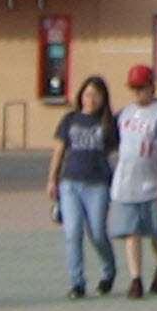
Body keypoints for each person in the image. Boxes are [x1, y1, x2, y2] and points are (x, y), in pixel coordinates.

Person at [110, 62, 157, 299]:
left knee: (156, 233)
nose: (137, 93)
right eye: (134, 88)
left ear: (152, 87)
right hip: (126, 183)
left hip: (151, 184)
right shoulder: (125, 113)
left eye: (141, 88)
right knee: (131, 232)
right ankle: (136, 280)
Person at [43, 75, 118, 299]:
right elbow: (59, 151)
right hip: (70, 183)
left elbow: (120, 153)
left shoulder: (108, 124)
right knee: (73, 232)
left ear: (104, 99)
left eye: (96, 95)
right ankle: (77, 283)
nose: (91, 99)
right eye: (87, 94)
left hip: (97, 185)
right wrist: (52, 179)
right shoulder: (70, 120)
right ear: (80, 96)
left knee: (96, 232)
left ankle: (109, 270)